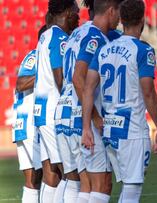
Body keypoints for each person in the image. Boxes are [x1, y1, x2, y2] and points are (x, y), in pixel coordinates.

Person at [82, 0, 157, 202]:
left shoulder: (104, 50)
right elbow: (148, 92)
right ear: (143, 19)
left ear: (121, 19)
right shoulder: (143, 50)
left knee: (124, 187)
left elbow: (88, 88)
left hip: (110, 129)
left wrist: (86, 126)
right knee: (132, 188)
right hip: (132, 130)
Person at [55, 0, 123, 202]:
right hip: (81, 114)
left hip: (65, 113)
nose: (120, 18)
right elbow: (79, 77)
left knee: (83, 183)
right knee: (101, 184)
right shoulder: (95, 37)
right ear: (111, 10)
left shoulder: (78, 32)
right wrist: (94, 116)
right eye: (119, 12)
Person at [33, 0, 79, 202]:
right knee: (70, 174)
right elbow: (60, 78)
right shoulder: (59, 38)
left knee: (56, 175)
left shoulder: (45, 35)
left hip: (42, 111)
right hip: (53, 111)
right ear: (68, 12)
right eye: (76, 11)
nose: (78, 15)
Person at [12, 25, 49, 203]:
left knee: (34, 179)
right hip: (30, 124)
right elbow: (20, 83)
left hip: (27, 124)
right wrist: (45, 72)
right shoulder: (35, 57)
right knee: (49, 173)